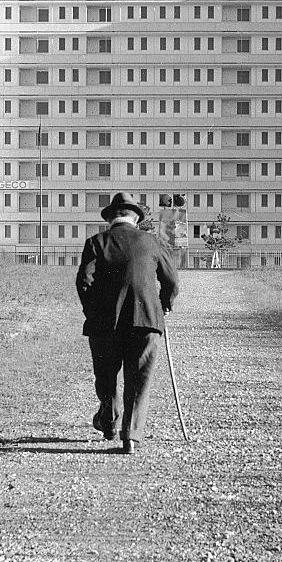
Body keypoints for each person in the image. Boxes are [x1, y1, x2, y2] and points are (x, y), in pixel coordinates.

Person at [76, 192, 180, 455]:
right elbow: (171, 281)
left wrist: (93, 312)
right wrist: (164, 305)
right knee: (138, 379)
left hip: (104, 324)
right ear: (135, 218)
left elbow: (84, 281)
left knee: (106, 376)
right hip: (146, 320)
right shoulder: (153, 242)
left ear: (111, 218)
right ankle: (130, 437)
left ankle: (109, 421)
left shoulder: (96, 242)